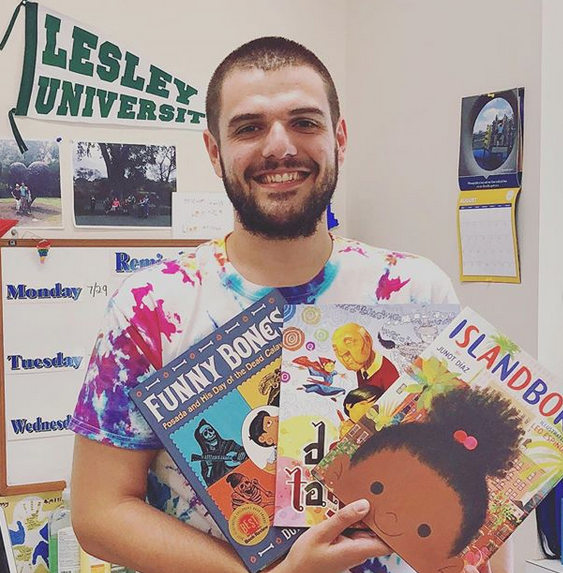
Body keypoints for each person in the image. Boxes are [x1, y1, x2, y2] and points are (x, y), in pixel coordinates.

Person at [70, 37, 510, 573]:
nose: (280, 147)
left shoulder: (417, 290)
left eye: (305, 122)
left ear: (339, 138)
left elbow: (476, 505)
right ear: (213, 151)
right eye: (249, 127)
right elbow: (99, 512)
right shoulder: (149, 307)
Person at [332, 323, 399, 392]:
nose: (343, 356)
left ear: (367, 340)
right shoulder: (361, 370)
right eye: (336, 350)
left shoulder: (388, 373)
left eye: (349, 343)